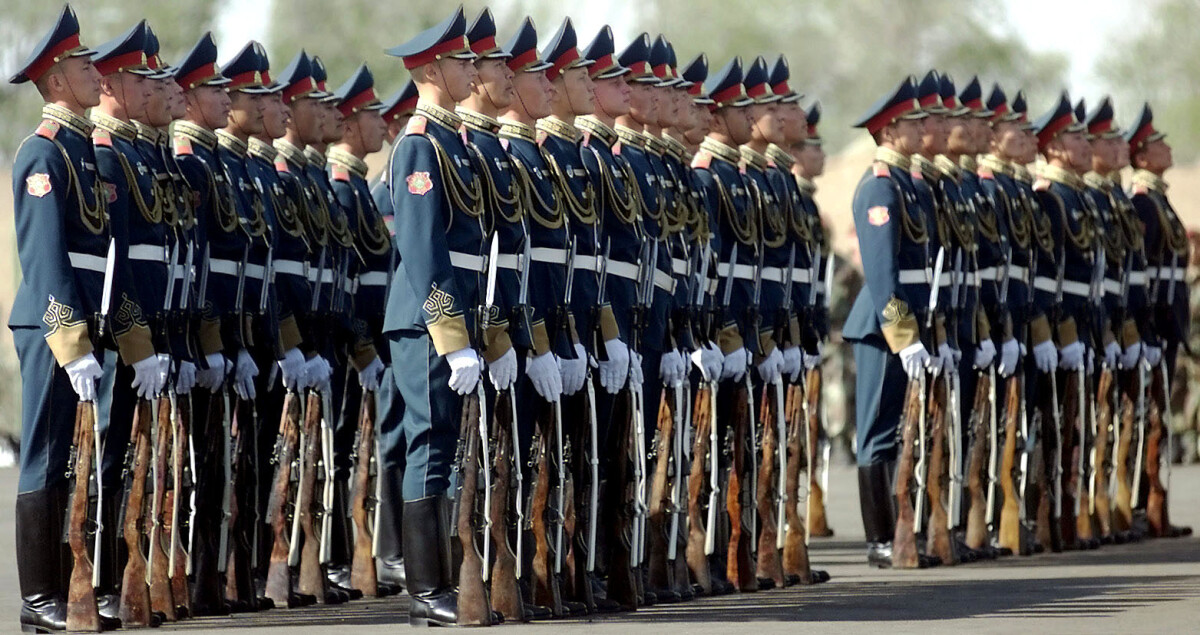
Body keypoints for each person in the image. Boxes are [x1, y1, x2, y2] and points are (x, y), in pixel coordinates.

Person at [8, 6, 145, 631]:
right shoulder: (42, 156)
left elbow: (109, 261)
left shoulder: (84, 154)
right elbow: (45, 261)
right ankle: (39, 600)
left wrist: (125, 336)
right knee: (45, 455)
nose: (97, 74)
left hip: (84, 328)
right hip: (51, 329)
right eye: (85, 65)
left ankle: (67, 590)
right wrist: (70, 340)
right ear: (57, 79)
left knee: (72, 459)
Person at [382, 8, 488, 626]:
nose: (473, 68)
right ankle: (426, 590)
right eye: (462, 61)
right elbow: (422, 249)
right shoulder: (420, 146)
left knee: (449, 446)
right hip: (425, 322)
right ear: (433, 70)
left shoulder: (454, 144)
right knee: (429, 445)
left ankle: (446, 580)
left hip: (453, 321)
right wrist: (452, 336)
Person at [842, 76, 940, 569]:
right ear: (893, 129)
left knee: (904, 432)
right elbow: (882, 275)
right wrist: (903, 337)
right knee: (877, 432)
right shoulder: (879, 188)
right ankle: (879, 539)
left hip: (910, 327)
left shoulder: (909, 185)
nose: (926, 128)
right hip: (883, 330)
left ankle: (903, 532)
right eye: (917, 121)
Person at [1126, 103, 1194, 538]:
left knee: (1156, 421)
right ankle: (1135, 506)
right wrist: (1145, 328)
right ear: (1143, 156)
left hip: (1166, 326)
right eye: (1158, 143)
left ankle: (1151, 507)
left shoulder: (1157, 199)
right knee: (1141, 420)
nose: (1167, 147)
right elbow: (1141, 276)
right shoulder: (1143, 203)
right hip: (1154, 324)